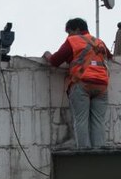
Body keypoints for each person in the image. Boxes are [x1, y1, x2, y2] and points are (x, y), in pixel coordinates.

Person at [42, 17, 113, 149]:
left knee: (81, 120)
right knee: (98, 121)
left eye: (69, 32)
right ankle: (99, 153)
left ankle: (84, 153)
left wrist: (47, 54)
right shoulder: (99, 42)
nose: (68, 35)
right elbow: (110, 56)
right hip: (102, 85)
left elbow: (54, 61)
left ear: (77, 29)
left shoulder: (72, 41)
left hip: (82, 84)